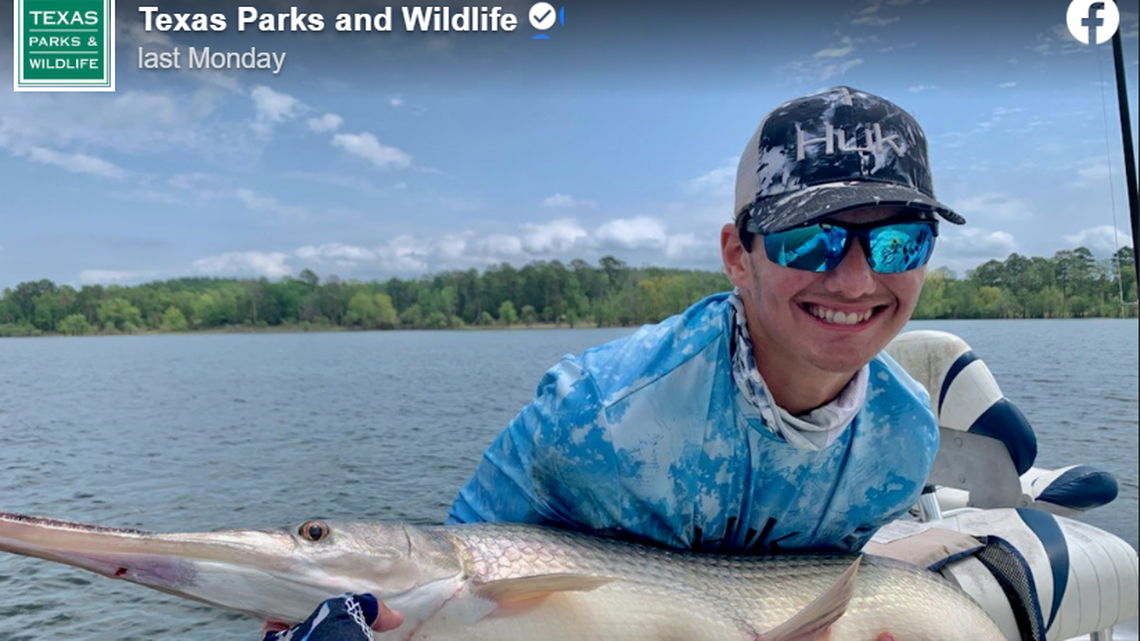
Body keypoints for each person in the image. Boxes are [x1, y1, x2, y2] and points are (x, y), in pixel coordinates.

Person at [267, 85, 964, 638]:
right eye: (809, 239)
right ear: (735, 254)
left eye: (899, 242)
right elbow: (451, 579)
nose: (853, 280)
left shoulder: (903, 440)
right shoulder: (596, 412)